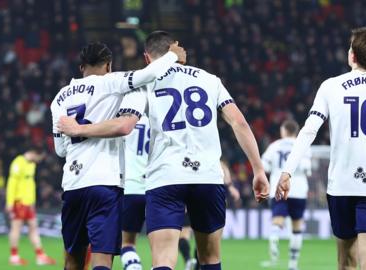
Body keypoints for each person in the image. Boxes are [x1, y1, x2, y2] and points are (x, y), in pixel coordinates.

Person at [57, 30, 270, 270]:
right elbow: (239, 123)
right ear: (178, 52)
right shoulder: (210, 80)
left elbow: (125, 125)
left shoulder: (145, 84)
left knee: (163, 260)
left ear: (147, 58)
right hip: (208, 177)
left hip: (165, 178)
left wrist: (78, 129)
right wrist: (258, 170)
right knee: (210, 258)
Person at [276, 27, 366, 270]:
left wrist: (287, 171)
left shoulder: (331, 86)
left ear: (352, 56)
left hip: (341, 186)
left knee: (346, 262)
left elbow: (309, 130)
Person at [51, 41, 186, 270]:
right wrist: (172, 55)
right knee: (102, 259)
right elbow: (148, 73)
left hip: (73, 185)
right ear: (109, 65)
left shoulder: (60, 98)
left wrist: (78, 132)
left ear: (82, 67)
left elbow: (60, 150)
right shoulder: (112, 82)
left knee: (72, 259)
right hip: (105, 184)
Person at [260, 120, 311, 270]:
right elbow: (307, 168)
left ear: (283, 131)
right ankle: (293, 264)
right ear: (295, 132)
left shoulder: (274, 146)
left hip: (279, 188)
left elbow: (265, 166)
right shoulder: (303, 146)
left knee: (277, 219)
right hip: (299, 189)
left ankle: (274, 237)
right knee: (297, 226)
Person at [179, 160, 241, 270]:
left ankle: (188, 259)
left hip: (185, 193)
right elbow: (222, 166)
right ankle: (196, 266)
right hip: (206, 193)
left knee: (184, 234)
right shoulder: (211, 154)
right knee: (206, 238)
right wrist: (230, 186)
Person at [5, 148, 56, 266]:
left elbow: (29, 185)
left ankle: (40, 256)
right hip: (19, 201)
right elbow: (12, 183)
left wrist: (32, 202)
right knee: (16, 228)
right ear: (33, 153)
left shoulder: (31, 164)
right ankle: (14, 256)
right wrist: (10, 202)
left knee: (33, 227)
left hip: (28, 203)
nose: (38, 161)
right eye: (38, 158)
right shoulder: (18, 162)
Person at [120, 115, 150, 270]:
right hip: (157, 188)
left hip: (130, 187)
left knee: (127, 242)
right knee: (162, 250)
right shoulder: (161, 116)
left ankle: (133, 267)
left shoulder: (126, 119)